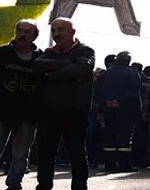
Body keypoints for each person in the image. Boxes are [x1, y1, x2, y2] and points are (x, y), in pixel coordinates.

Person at [0, 19, 43, 190]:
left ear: (34, 36)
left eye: (27, 32)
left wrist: (38, 111)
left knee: (21, 155)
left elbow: (45, 87)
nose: (22, 35)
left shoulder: (41, 58)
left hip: (27, 116)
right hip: (0, 113)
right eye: (19, 30)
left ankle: (14, 184)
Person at [34, 17, 94, 190]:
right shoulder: (48, 52)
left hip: (76, 112)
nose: (56, 34)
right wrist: (68, 65)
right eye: (53, 30)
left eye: (61, 30)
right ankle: (44, 186)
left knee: (77, 153)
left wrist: (51, 75)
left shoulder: (86, 51)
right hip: (49, 112)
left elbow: (83, 68)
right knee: (46, 153)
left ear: (73, 32)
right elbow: (37, 65)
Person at [93, 51, 141, 172]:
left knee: (109, 137)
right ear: (128, 61)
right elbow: (134, 91)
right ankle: (124, 165)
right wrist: (119, 101)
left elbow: (98, 91)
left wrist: (106, 102)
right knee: (125, 138)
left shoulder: (105, 74)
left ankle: (110, 164)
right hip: (127, 110)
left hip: (108, 110)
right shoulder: (132, 73)